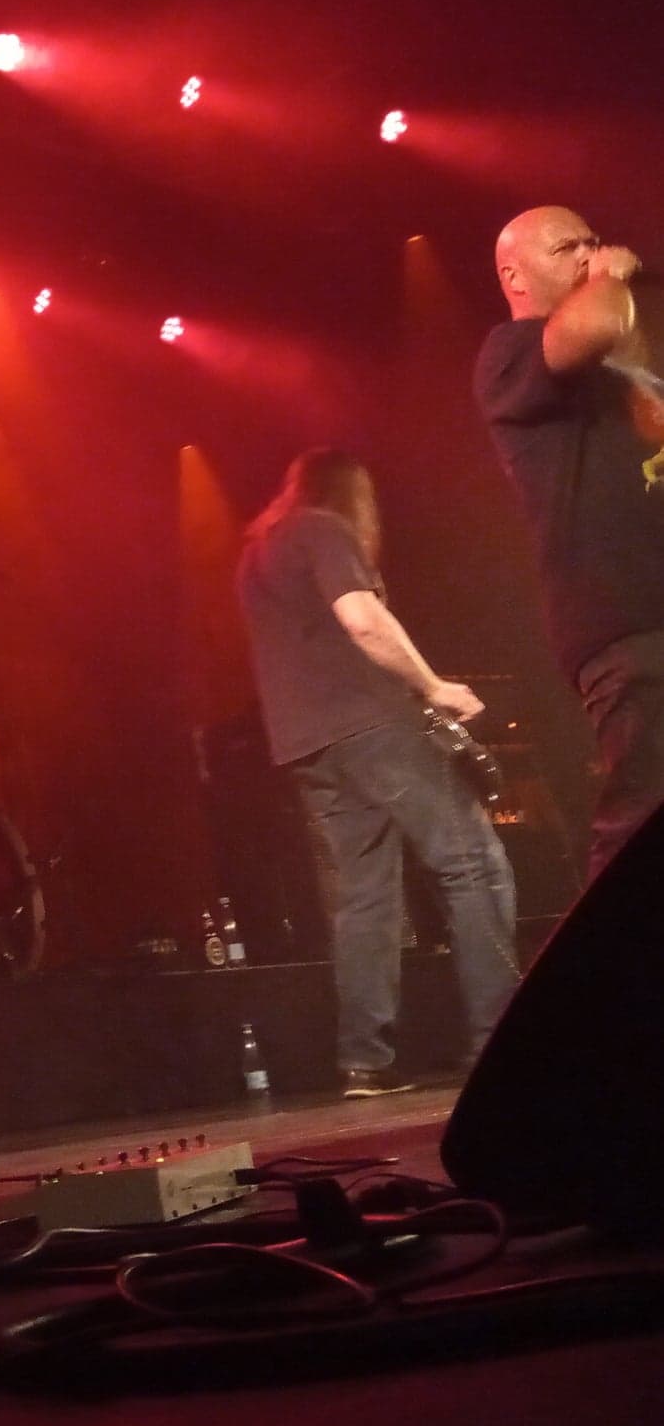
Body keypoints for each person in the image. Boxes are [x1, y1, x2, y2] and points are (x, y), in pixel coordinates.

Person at [236, 450, 518, 1099]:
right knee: (474, 865)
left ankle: (366, 1059)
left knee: (365, 897)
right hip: (374, 727)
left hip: (308, 745)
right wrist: (434, 686)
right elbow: (362, 620)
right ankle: (500, 1037)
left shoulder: (257, 554)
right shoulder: (322, 528)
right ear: (350, 494)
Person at [476, 207, 664, 882]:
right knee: (643, 815)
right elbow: (597, 327)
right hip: (626, 621)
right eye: (568, 248)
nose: (588, 254)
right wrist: (610, 277)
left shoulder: (609, 373)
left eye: (593, 242)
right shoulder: (511, 351)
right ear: (515, 276)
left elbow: (630, 366)